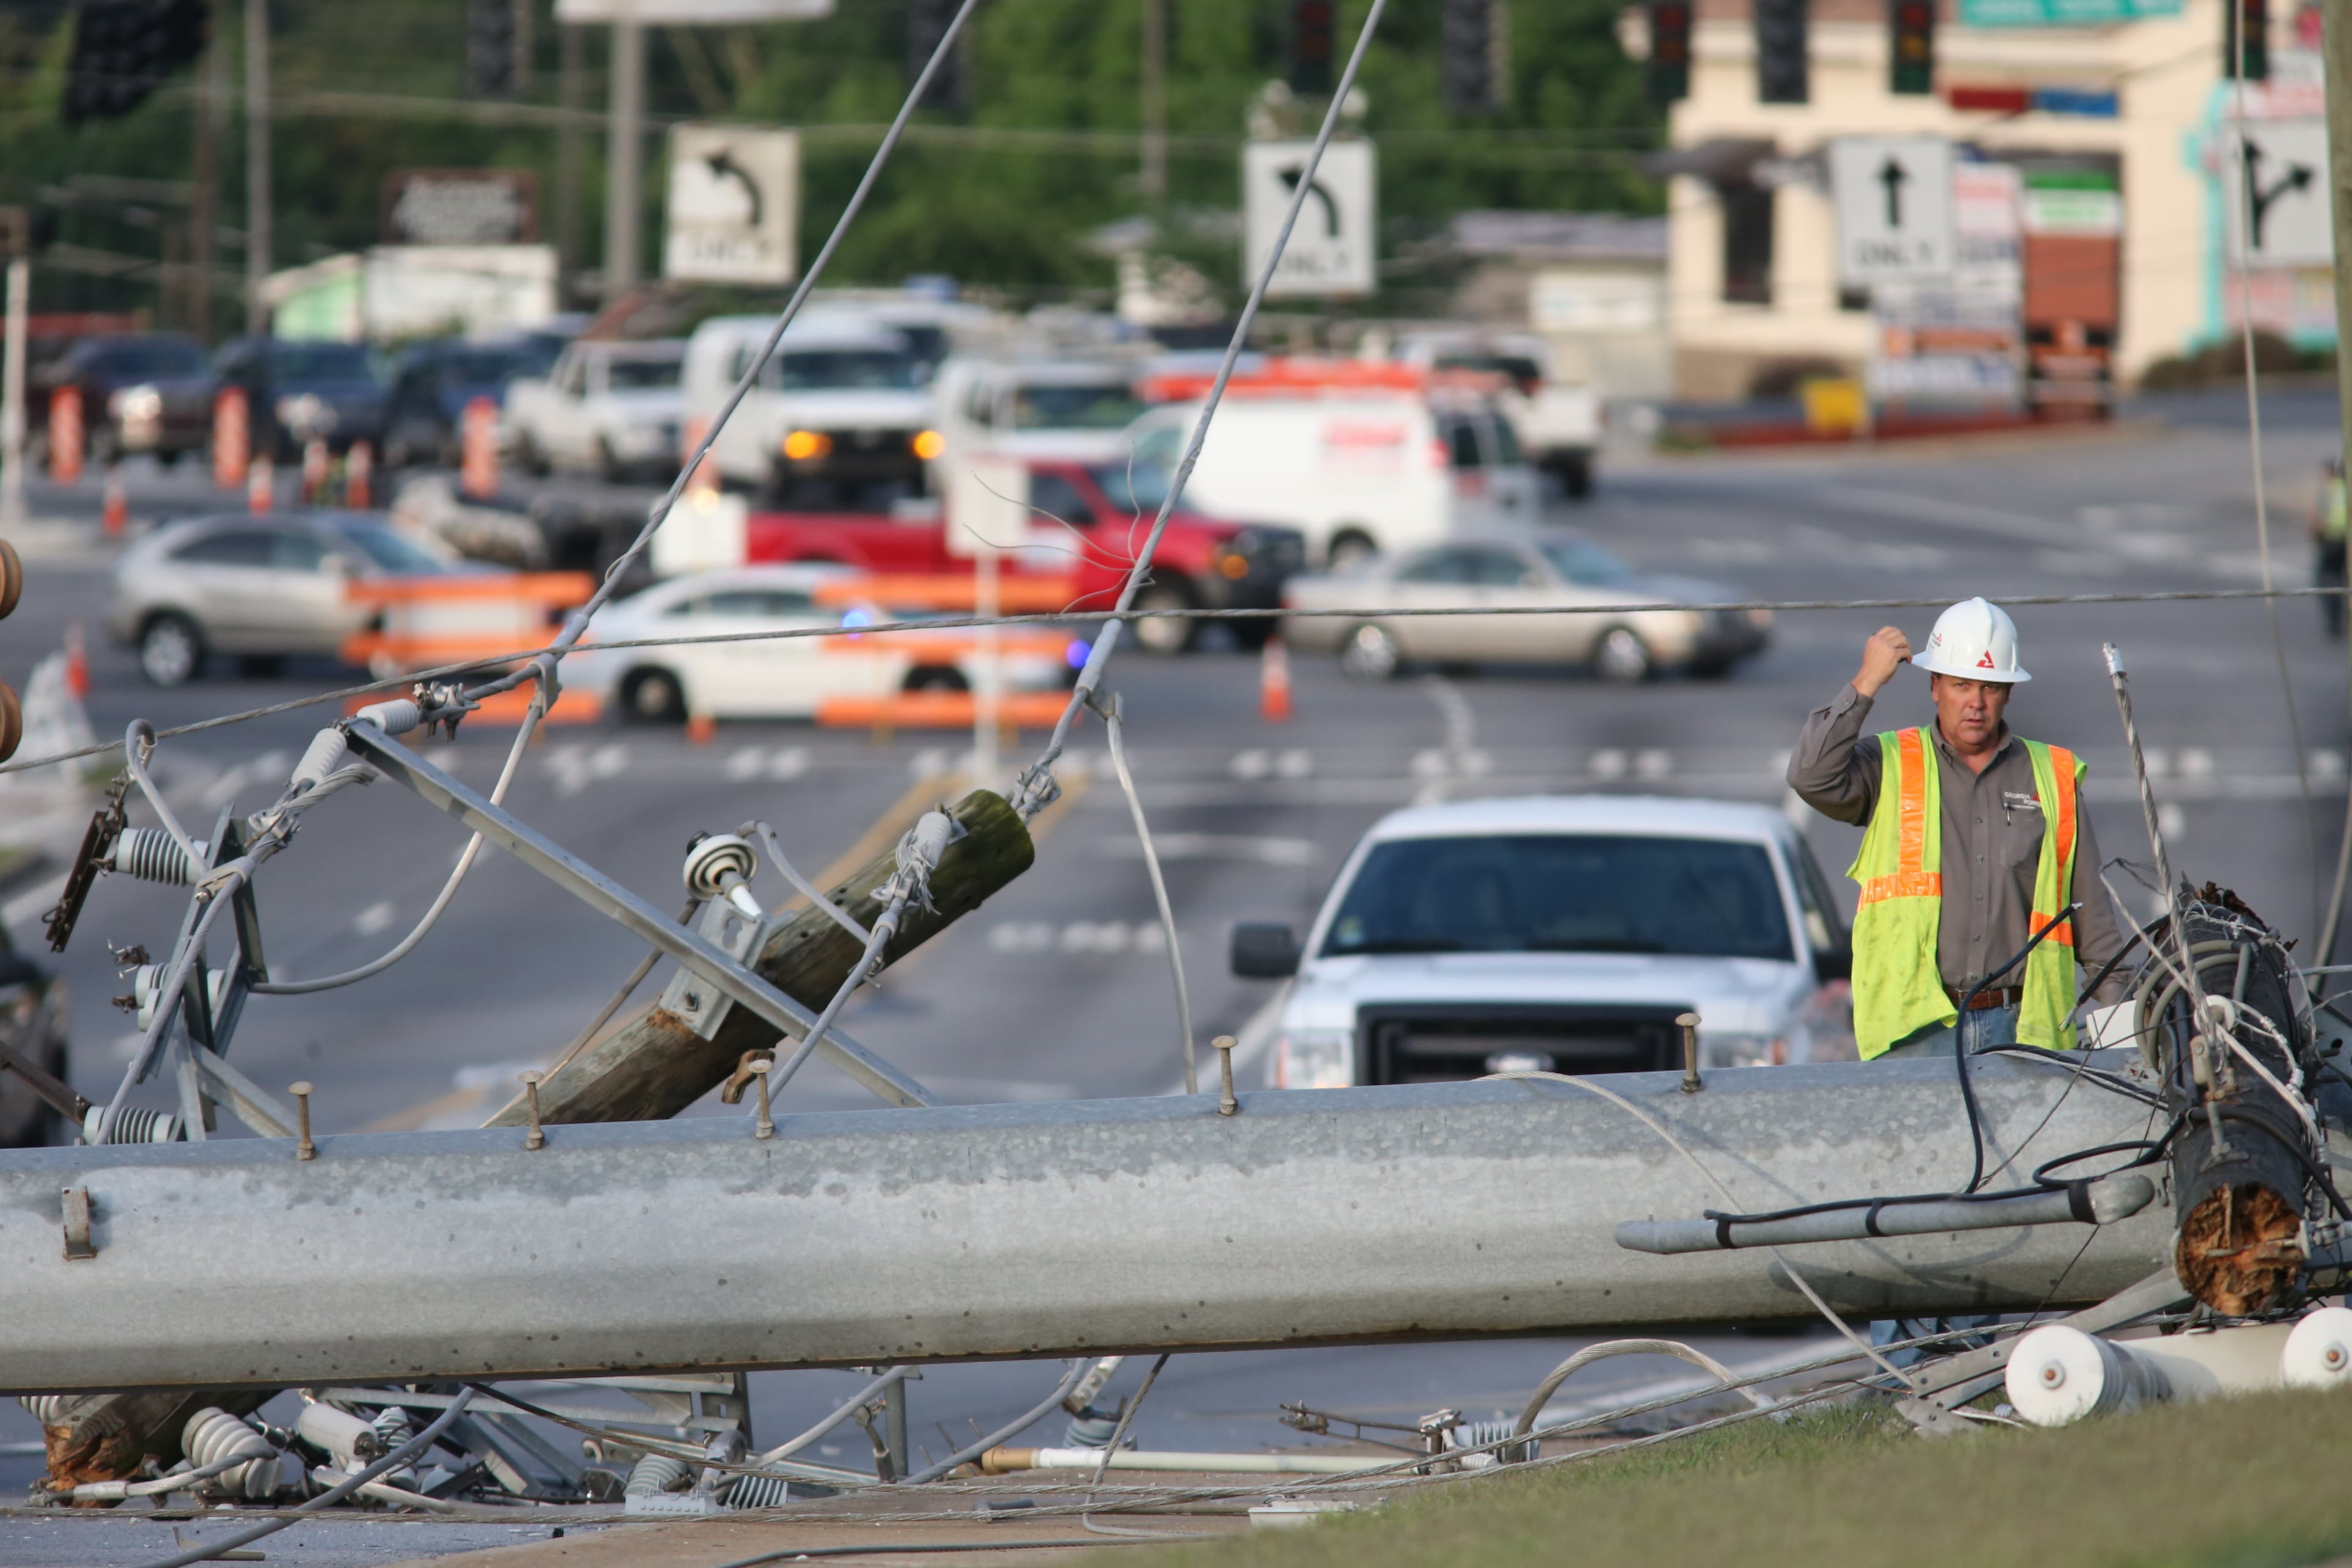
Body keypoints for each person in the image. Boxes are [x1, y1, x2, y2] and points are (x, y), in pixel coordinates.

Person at [1787, 597, 2129, 1368]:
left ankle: (1980, 1373)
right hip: (1915, 1028)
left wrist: (2123, 1017)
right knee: (1910, 1208)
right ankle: (1910, 1382)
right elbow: (1811, 775)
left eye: (1990, 687)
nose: (1975, 702)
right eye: (1960, 685)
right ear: (1934, 685)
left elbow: (2091, 912)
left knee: (2003, 1211)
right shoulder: (1888, 763)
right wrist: (1864, 684)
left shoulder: (2052, 778)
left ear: (2008, 692)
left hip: (2019, 1033)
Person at [2314, 457, 2346, 640]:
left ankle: (2334, 622)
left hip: (2331, 541)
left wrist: (2315, 537)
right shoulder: (2346, 488)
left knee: (2327, 580)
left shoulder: (2329, 490)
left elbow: (2318, 518)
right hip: (2347, 542)